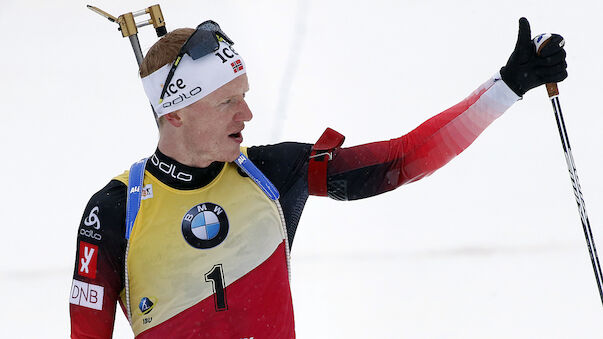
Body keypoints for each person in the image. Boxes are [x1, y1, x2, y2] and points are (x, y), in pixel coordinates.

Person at [69, 17, 567, 338]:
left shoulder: (272, 174)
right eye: (227, 102)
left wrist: (509, 86)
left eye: (244, 94)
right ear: (174, 115)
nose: (246, 113)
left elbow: (401, 160)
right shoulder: (114, 211)